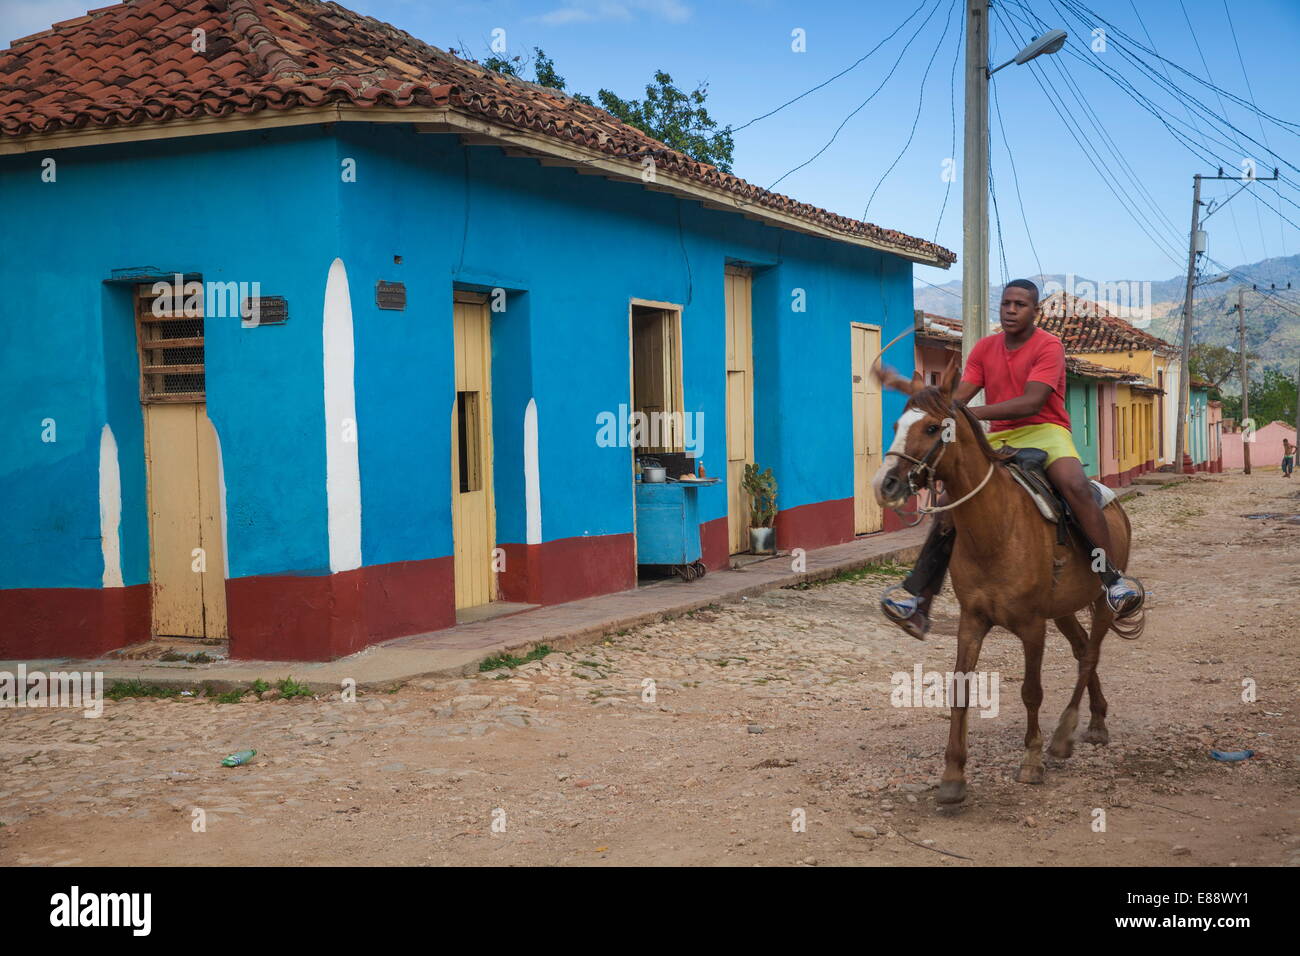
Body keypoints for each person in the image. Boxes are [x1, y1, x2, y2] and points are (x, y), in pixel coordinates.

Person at [880, 278, 1145, 639]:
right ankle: (919, 599)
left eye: (1020, 305)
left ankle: (1111, 578)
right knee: (948, 507)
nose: (1010, 310)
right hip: (1001, 436)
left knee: (1076, 487)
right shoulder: (985, 349)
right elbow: (955, 399)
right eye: (1006, 303)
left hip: (1045, 430)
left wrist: (971, 415)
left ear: (1035, 312)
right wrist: (909, 389)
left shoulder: (1049, 347)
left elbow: (1032, 401)